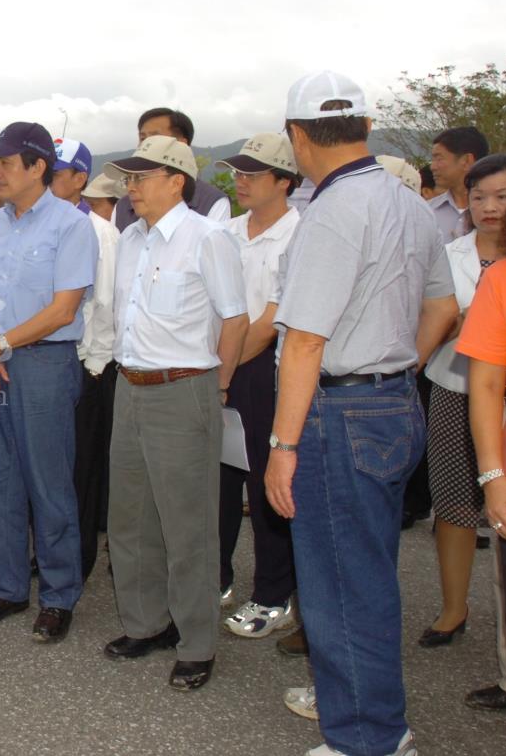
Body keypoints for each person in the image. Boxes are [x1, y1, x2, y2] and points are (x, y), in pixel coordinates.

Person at [265, 70, 456, 756]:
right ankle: (370, 713)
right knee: (366, 567)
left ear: (294, 136)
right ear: (366, 127)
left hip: (337, 407)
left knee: (339, 576)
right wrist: (397, 366)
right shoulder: (407, 202)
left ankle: (365, 738)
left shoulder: (332, 211)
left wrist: (282, 443)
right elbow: (440, 304)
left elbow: (307, 339)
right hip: (389, 397)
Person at [101, 134, 247, 691]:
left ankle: (197, 642)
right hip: (129, 386)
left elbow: (235, 319)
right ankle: (146, 624)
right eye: (129, 178)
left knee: (188, 525)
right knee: (131, 518)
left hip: (185, 388)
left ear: (175, 181)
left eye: (141, 178)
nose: (131, 188)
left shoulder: (208, 238)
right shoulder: (131, 239)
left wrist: (219, 387)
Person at [0, 121, 99, 643]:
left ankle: (59, 597)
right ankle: (8, 588)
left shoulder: (70, 225)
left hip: (44, 364)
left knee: (48, 482)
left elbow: (64, 310)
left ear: (38, 167)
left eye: (6, 163)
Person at [213, 133, 301, 637]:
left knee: (265, 481)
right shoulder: (225, 231)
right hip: (220, 366)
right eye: (238, 172)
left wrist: (223, 373)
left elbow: (272, 317)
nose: (240, 181)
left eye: (253, 173)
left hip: (265, 370)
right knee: (219, 477)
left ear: (284, 181)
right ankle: (217, 576)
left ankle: (272, 593)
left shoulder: (299, 234)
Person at [423, 154, 506, 652]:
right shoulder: (449, 253)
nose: (489, 207)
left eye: (502, 196)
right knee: (454, 502)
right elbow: (430, 319)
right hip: (456, 389)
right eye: (479, 197)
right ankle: (454, 608)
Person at [454, 158, 506, 712]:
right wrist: (494, 476)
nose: (493, 208)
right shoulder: (502, 278)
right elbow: (487, 386)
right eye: (483, 196)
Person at [73, 160, 120, 585]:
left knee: (82, 470)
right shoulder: (44, 225)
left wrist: (96, 365)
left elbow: (105, 303)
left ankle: (79, 556)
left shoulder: (101, 232)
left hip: (88, 364)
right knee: (54, 467)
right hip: (48, 360)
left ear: (78, 179)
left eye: (57, 173)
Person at [112, 108, 230, 231]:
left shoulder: (211, 203)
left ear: (182, 144)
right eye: (142, 138)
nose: (146, 144)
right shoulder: (122, 207)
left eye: (155, 137)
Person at [429, 126, 490, 241]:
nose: (432, 167)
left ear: (466, 161)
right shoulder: (427, 212)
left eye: (439, 158)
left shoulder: (500, 213)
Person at [49, 137, 92, 214]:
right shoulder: (29, 218)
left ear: (80, 180)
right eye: (43, 173)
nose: (44, 180)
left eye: (53, 174)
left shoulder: (96, 225)